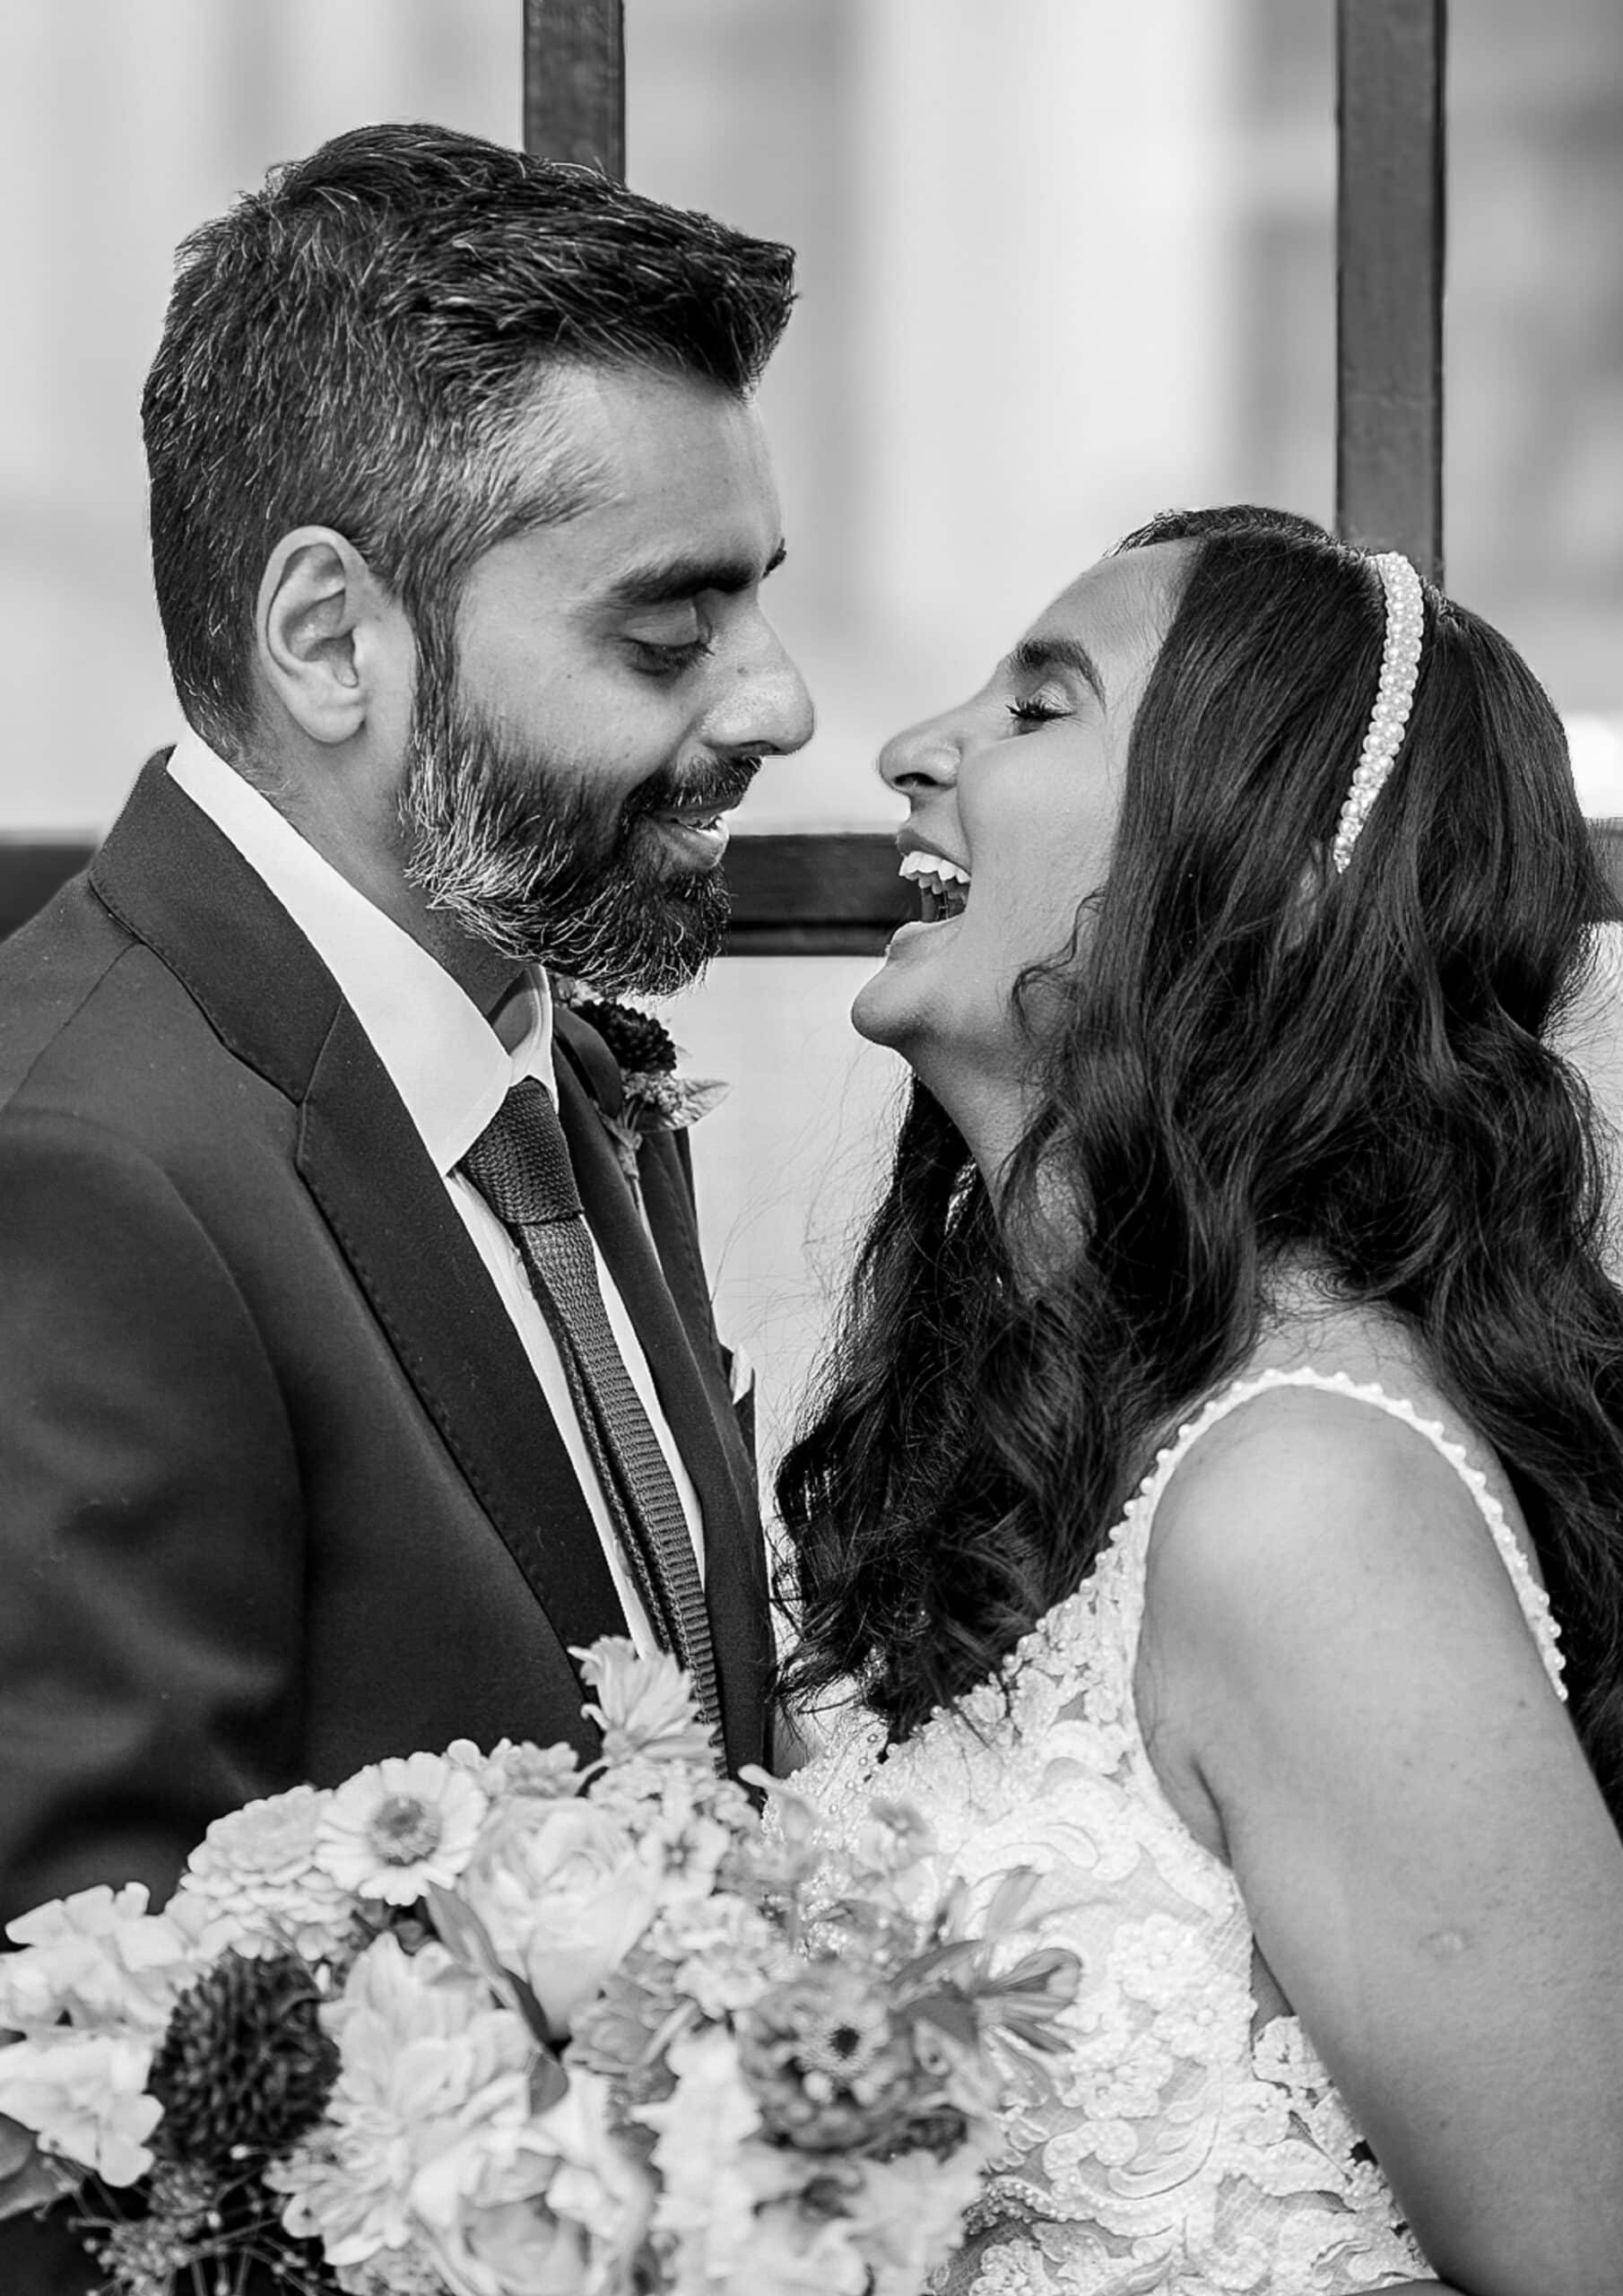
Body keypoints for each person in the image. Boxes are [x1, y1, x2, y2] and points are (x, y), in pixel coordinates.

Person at [775, 507, 1623, 2295]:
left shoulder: (1303, 1499)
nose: (909, 746)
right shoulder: (1047, 1427)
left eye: (1038, 709)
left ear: (1274, 879)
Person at [0, 124, 814, 1926]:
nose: (783, 701)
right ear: (329, 637)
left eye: (761, 595)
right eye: (669, 632)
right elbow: (70, 2090)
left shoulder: (537, 1057)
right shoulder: (77, 1174)